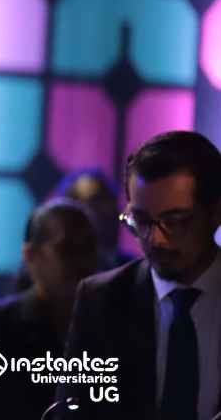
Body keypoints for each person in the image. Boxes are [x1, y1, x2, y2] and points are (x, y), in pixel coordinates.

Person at [58, 131, 221, 420]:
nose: (155, 239)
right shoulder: (101, 301)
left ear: (216, 212)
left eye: (175, 221)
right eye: (141, 221)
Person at [0, 199, 98, 420]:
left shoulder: (108, 326)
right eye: (67, 249)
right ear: (31, 256)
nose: (82, 261)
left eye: (88, 248)